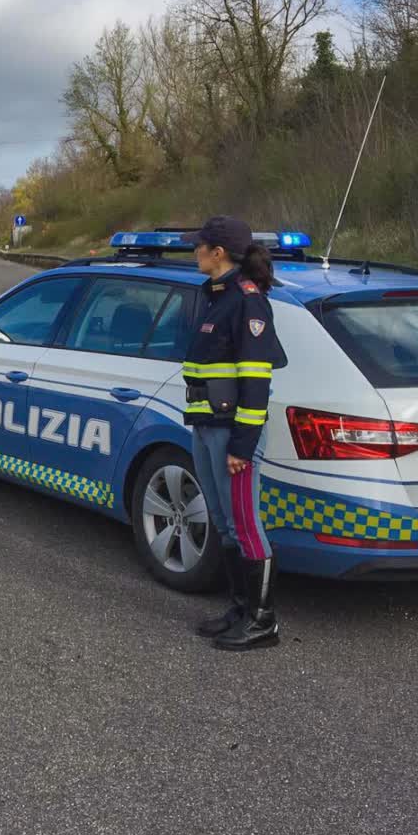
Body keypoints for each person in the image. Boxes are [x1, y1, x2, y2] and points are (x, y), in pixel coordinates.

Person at [180, 216, 286, 651]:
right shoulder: (215, 295)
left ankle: (263, 621)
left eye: (199, 246)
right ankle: (239, 609)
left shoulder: (247, 300)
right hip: (205, 425)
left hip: (231, 432)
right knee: (224, 524)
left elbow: (256, 379)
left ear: (217, 252)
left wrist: (243, 443)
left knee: (245, 524)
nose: (195, 252)